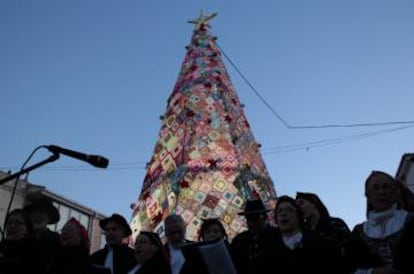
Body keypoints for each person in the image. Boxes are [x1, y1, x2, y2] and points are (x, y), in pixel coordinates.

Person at [346, 170, 414, 274]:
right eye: (375, 188)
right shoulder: (359, 232)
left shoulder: (410, 220)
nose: (381, 192)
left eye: (386, 187)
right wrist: (372, 272)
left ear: (395, 192)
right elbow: (349, 267)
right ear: (368, 195)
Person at [273, 195, 342, 273]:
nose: (283, 214)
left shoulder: (319, 244)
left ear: (298, 216)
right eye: (279, 211)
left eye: (289, 210)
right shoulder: (270, 252)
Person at [295, 191, 351, 268]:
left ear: (314, 202)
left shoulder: (335, 224)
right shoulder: (303, 235)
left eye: (301, 203)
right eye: (297, 207)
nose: (299, 209)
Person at [229, 199, 279, 274]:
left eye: (256, 218)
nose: (252, 223)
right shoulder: (239, 240)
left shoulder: (277, 236)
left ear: (264, 218)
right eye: (249, 219)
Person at [23, 194, 62, 274]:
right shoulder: (20, 237)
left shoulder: (57, 240)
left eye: (42, 213)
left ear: (49, 218)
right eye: (34, 212)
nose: (37, 216)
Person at [0, 209, 33, 274]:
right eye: (9, 223)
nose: (12, 226)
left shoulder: (30, 254)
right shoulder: (1, 247)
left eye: (18, 223)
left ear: (27, 230)